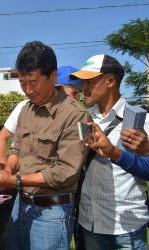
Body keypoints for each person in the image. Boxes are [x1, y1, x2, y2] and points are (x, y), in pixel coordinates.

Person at [0, 41, 90, 250]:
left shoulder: (75, 115)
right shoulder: (26, 110)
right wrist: (5, 172)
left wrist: (13, 180)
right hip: (21, 205)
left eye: (33, 82)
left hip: (52, 212)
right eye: (22, 83)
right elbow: (17, 150)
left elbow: (66, 172)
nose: (27, 90)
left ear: (53, 76)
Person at [70, 54, 149, 249]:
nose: (83, 87)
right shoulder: (83, 119)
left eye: (89, 81)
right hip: (90, 223)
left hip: (128, 227)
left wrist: (116, 153)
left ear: (110, 81)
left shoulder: (141, 121)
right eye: (82, 82)